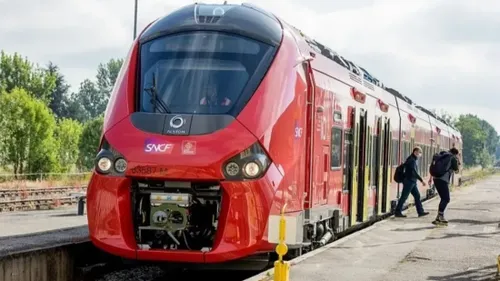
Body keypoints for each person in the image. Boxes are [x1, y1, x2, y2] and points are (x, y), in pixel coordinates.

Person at [394, 146, 429, 218]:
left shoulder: (412, 159)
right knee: (404, 196)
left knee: (417, 196)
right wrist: (421, 180)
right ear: (415, 152)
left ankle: (420, 212)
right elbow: (414, 172)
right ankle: (397, 211)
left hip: (412, 182)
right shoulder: (412, 160)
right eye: (419, 152)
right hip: (409, 181)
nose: (420, 154)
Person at [428, 148, 460, 224]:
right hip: (443, 180)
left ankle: (438, 217)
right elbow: (456, 171)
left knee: (443, 198)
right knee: (446, 199)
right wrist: (457, 163)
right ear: (455, 153)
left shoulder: (441, 155)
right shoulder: (452, 158)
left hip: (436, 179)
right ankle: (440, 216)